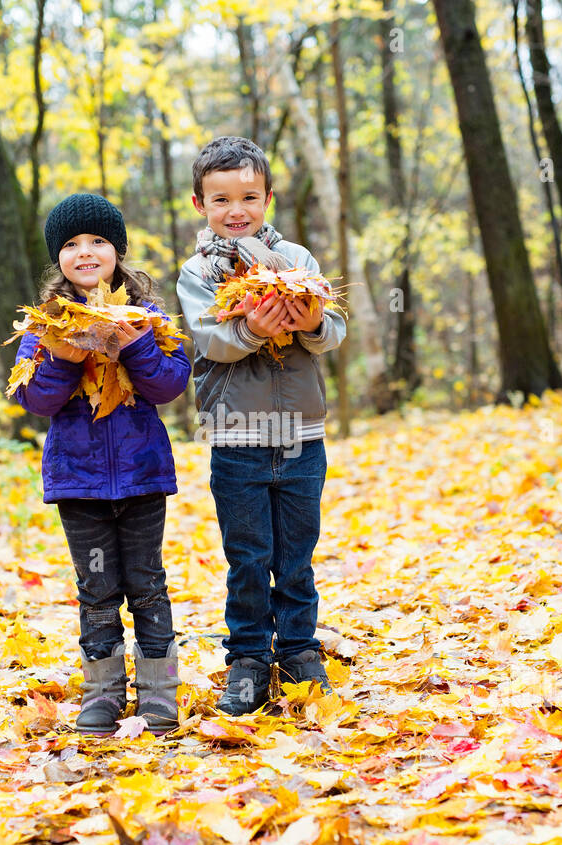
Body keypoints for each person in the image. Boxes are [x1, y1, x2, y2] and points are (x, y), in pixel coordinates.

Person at [176, 136, 347, 715]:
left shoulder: (298, 262)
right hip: (236, 438)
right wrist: (252, 329)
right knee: (248, 556)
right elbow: (212, 339)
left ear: (268, 198)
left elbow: (333, 333)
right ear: (200, 204)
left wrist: (312, 321)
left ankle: (299, 651)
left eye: (248, 196)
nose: (236, 210)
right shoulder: (198, 273)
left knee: (296, 554)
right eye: (220, 199)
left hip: (302, 434)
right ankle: (247, 659)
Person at [12, 193, 190, 735]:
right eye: (70, 244)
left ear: (117, 251)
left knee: (147, 581)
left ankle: (159, 691)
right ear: (57, 258)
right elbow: (34, 400)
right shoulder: (46, 325)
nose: (85, 252)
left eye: (97, 241)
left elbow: (170, 382)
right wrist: (64, 360)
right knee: (96, 587)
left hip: (141, 476)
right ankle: (103, 692)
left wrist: (134, 345)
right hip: (78, 482)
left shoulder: (149, 317)